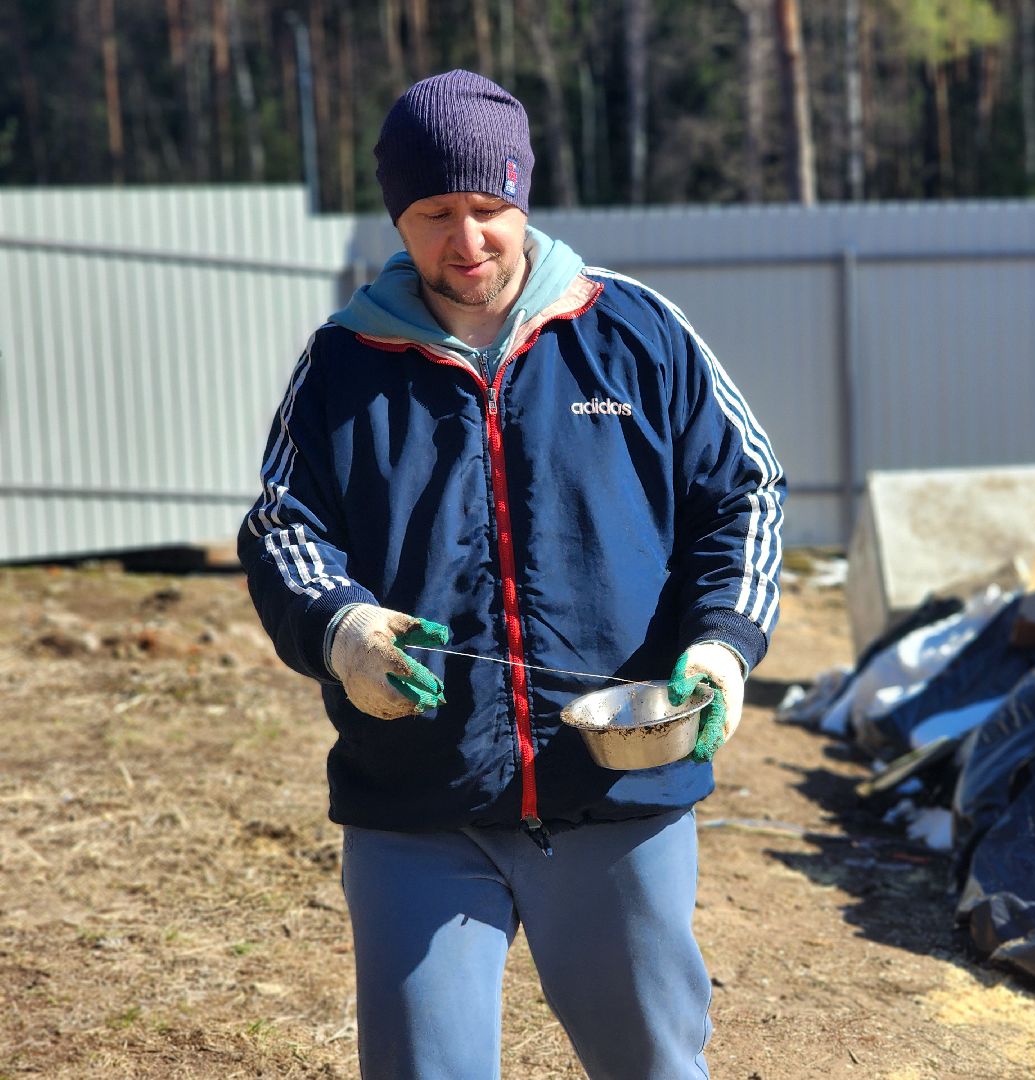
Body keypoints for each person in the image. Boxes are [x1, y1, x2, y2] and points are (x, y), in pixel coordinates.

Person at [237, 69, 784, 1079]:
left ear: (522, 199)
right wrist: (343, 631)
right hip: (417, 802)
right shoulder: (344, 362)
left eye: (489, 208)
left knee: (655, 1066)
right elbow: (283, 529)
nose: (468, 239)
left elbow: (744, 495)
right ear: (398, 215)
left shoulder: (636, 335)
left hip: (619, 791)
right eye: (434, 212)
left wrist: (722, 646)